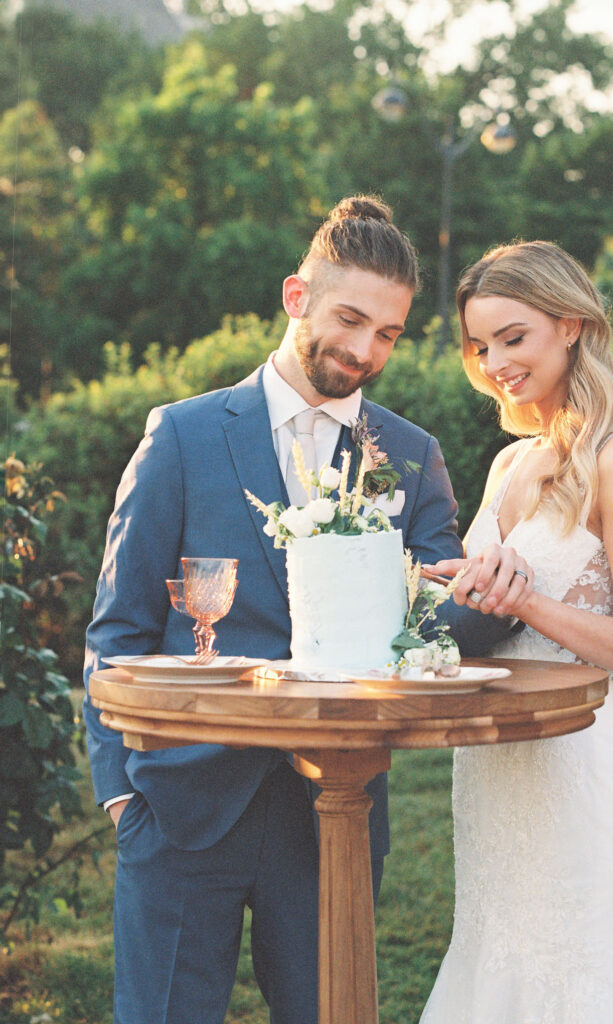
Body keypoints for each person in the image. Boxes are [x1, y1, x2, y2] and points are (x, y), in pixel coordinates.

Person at [82, 196, 526, 1024]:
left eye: (388, 334)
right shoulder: (180, 436)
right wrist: (119, 792)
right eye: (350, 319)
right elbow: (118, 626)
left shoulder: (413, 456)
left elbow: (435, 628)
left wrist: (496, 593)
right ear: (297, 297)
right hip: (180, 804)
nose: (364, 351)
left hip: (337, 809)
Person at [420, 240, 613, 1023]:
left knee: (573, 980)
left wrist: (526, 601)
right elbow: (477, 612)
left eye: (514, 336)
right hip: (493, 769)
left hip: (576, 761)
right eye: (480, 343)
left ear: (570, 326)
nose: (494, 360)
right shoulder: (507, 466)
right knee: (489, 956)